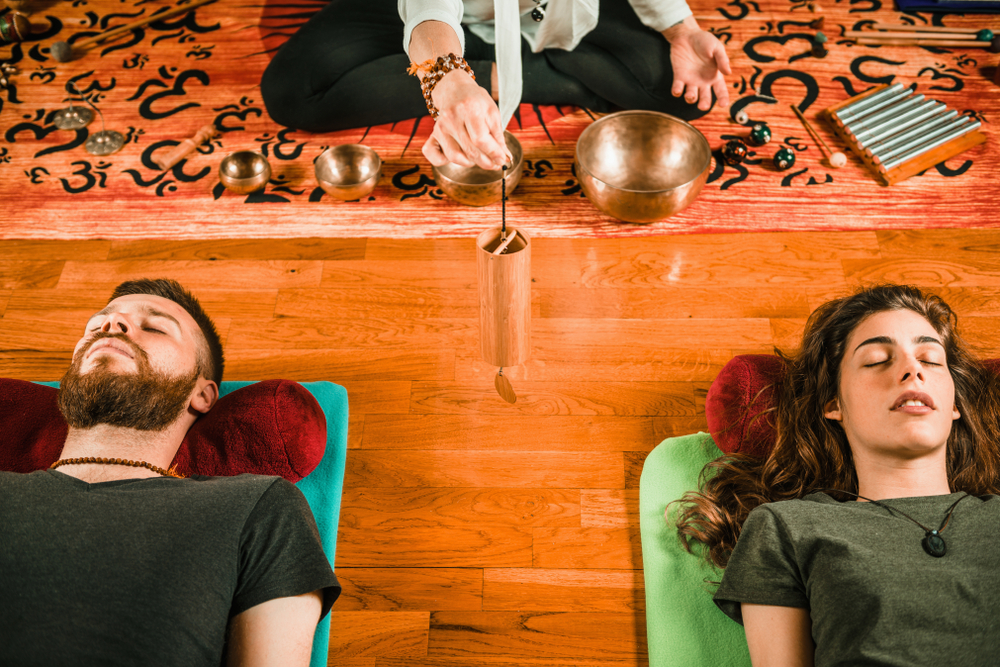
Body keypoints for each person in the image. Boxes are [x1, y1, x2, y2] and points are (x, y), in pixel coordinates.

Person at [0, 278, 341, 666]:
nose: (112, 327)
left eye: (154, 326)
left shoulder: (256, 507)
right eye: (97, 326)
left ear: (203, 394)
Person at [675, 285, 1000, 667]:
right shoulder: (787, 528)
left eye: (930, 358)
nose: (912, 369)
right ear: (835, 405)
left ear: (955, 405)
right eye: (878, 359)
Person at [260, 0, 731, 170]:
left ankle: (514, 74)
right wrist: (447, 78)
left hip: (557, 12)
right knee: (292, 91)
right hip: (434, 17)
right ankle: (502, 76)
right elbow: (430, 9)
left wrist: (681, 29)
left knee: (683, 89)